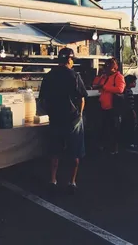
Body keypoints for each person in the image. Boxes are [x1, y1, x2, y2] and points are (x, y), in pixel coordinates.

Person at [39, 47, 88, 194]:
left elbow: (42, 100)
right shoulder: (74, 75)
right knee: (75, 151)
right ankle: (71, 182)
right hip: (72, 119)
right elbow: (81, 97)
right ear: (69, 59)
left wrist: (50, 113)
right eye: (72, 59)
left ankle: (53, 179)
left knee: (55, 151)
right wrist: (80, 114)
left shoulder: (49, 76)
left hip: (55, 119)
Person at [97, 58, 125, 154]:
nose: (106, 68)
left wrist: (105, 87)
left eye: (108, 66)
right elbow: (97, 84)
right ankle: (105, 145)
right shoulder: (105, 76)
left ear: (113, 67)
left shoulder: (118, 76)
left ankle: (114, 147)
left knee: (114, 128)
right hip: (103, 106)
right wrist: (100, 76)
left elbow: (120, 89)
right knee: (104, 127)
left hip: (113, 107)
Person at [121, 75, 138, 148]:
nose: (135, 83)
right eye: (134, 82)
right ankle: (130, 142)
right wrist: (133, 112)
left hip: (124, 112)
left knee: (125, 127)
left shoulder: (124, 90)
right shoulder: (129, 92)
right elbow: (130, 104)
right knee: (131, 127)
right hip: (129, 112)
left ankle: (124, 141)